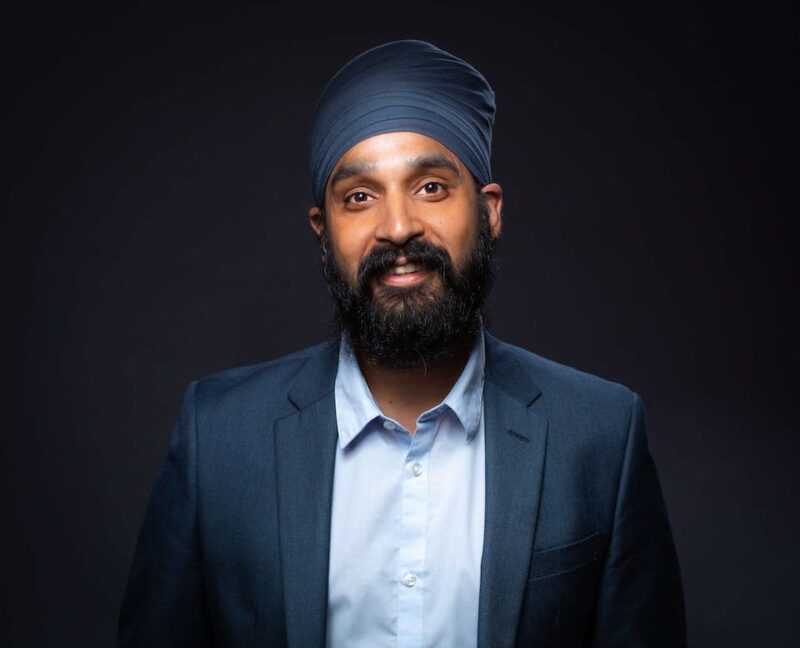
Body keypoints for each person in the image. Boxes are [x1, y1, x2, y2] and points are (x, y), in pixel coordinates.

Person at [119, 40, 686, 647]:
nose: (397, 227)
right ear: (323, 230)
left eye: (432, 188)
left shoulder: (600, 435)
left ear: (489, 211)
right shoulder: (219, 436)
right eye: (359, 197)